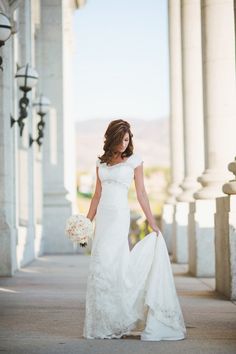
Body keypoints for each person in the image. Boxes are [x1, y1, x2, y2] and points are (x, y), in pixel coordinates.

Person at [83, 119, 187, 341]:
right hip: (104, 218)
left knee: (115, 264)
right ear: (111, 138)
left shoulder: (134, 162)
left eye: (127, 139)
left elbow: (141, 194)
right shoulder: (100, 163)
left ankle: (119, 318)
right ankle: (102, 323)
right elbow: (96, 195)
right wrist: (86, 222)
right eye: (120, 138)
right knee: (101, 265)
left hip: (119, 217)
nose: (123, 143)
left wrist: (152, 221)